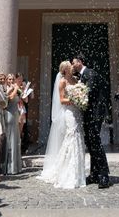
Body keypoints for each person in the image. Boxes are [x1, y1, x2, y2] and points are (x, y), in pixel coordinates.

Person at [39, 61, 87, 189]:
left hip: (77, 111)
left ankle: (78, 171)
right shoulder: (62, 82)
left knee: (79, 136)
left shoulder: (77, 80)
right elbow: (62, 100)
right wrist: (75, 99)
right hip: (69, 113)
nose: (72, 68)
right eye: (70, 67)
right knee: (72, 136)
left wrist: (81, 98)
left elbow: (81, 93)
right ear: (65, 70)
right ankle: (67, 171)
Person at [72, 54, 110, 188]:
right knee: (90, 143)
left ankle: (104, 175)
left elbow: (90, 92)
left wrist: (76, 95)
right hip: (88, 114)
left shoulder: (90, 73)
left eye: (74, 62)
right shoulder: (82, 76)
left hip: (95, 114)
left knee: (96, 143)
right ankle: (94, 174)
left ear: (80, 62)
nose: (72, 65)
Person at [3, 73, 23, 175]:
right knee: (10, 139)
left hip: (15, 114)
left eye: (12, 79)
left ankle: (16, 166)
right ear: (6, 80)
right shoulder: (6, 89)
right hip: (9, 115)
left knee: (15, 139)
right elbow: (9, 98)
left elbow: (21, 100)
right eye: (9, 79)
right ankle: (8, 167)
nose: (11, 81)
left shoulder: (15, 88)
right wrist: (15, 88)